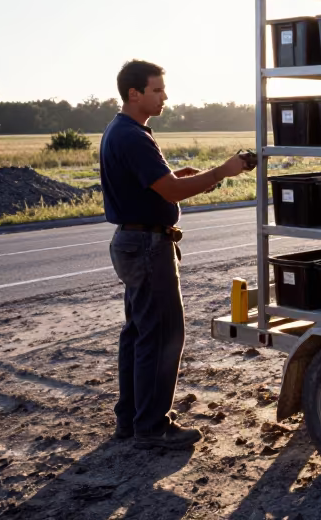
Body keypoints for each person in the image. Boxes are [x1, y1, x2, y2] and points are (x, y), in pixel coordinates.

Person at [100, 60, 253, 450]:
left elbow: (157, 186)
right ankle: (151, 427)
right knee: (164, 334)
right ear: (134, 94)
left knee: (139, 333)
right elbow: (170, 192)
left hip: (133, 242)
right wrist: (223, 171)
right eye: (157, 90)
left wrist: (178, 178)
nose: (165, 96)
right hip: (147, 247)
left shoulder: (121, 131)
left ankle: (131, 419)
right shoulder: (133, 136)